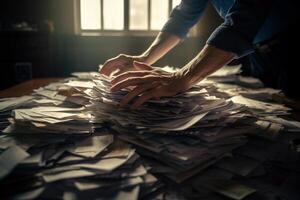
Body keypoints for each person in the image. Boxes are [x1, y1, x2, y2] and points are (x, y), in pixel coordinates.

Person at [100, 0, 292, 108]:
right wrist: (144, 59)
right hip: (255, 49)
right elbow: (183, 16)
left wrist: (183, 76)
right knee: (271, 112)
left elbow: (245, 18)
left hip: (291, 43)